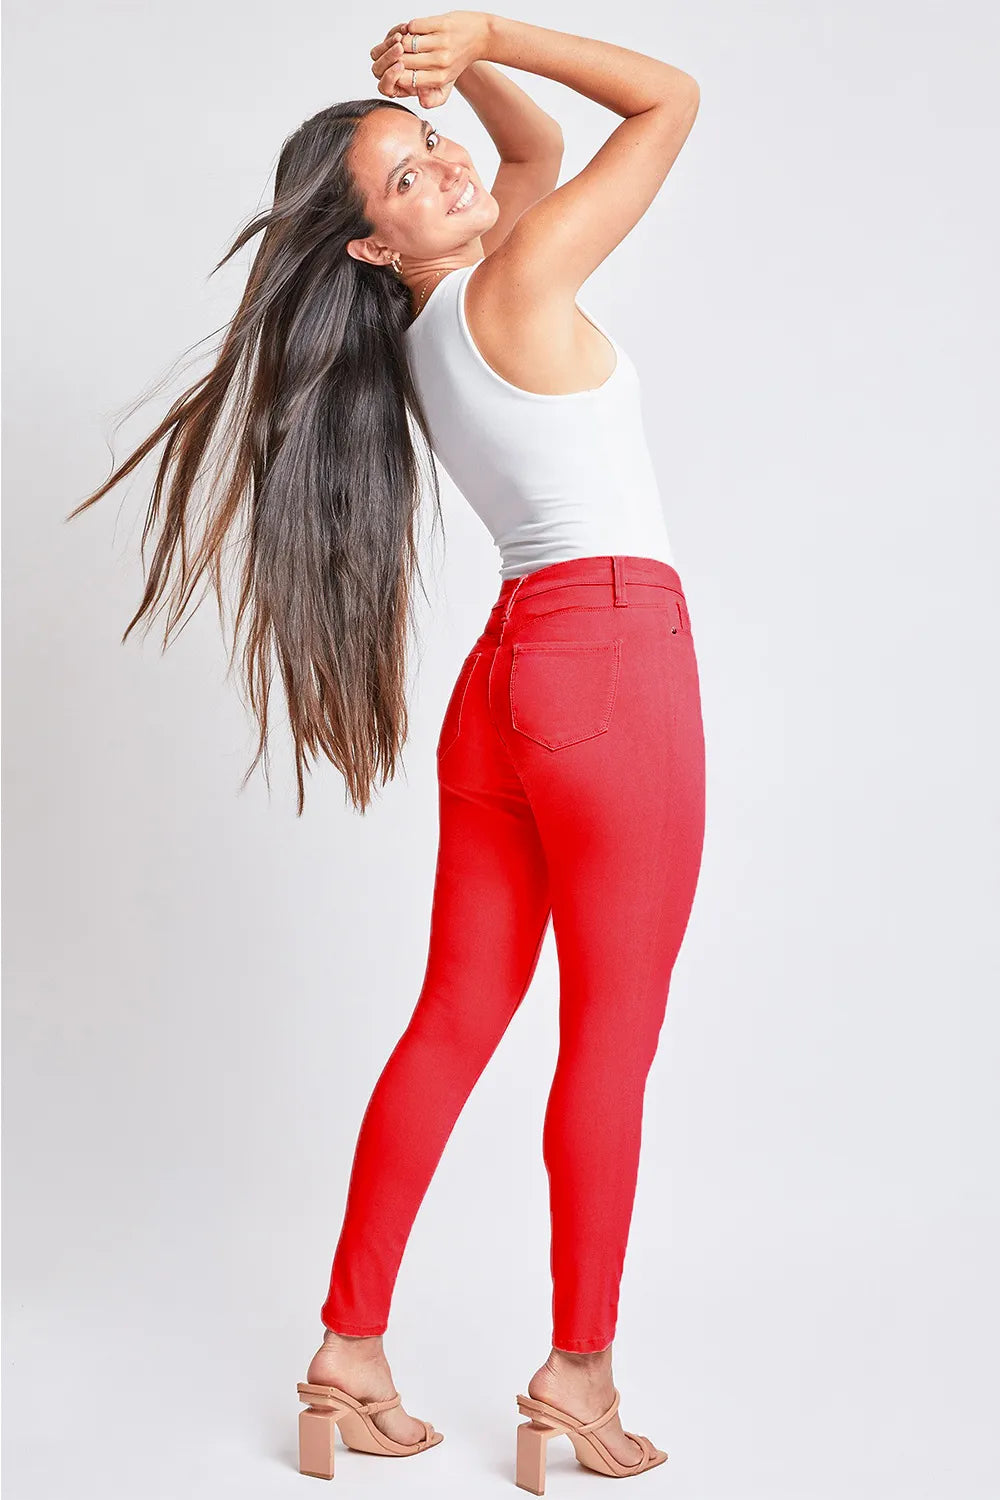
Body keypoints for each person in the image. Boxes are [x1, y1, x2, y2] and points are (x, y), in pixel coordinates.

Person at [69, 11, 703, 1489]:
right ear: (369, 247)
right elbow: (669, 101)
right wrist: (493, 25)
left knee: (454, 1017)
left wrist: (442, 78)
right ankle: (578, 1379)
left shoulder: (433, 324)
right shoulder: (525, 280)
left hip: (505, 686)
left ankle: (347, 1353)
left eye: (431, 150)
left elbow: (534, 146)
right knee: (606, 1038)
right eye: (410, 178)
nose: (453, 166)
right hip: (612, 661)